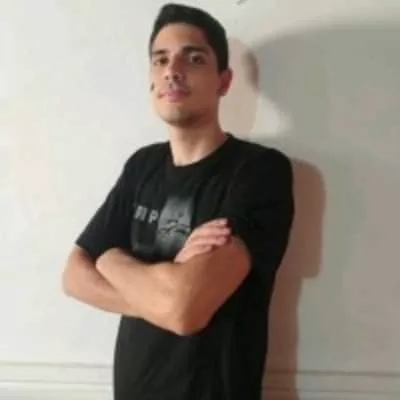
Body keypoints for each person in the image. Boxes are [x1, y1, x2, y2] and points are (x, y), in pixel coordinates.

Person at [62, 3, 294, 400]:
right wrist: (163, 292)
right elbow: (73, 276)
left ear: (224, 81)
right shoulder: (142, 166)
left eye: (194, 58)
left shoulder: (259, 171)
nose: (172, 70)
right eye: (160, 60)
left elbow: (186, 310)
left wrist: (111, 259)